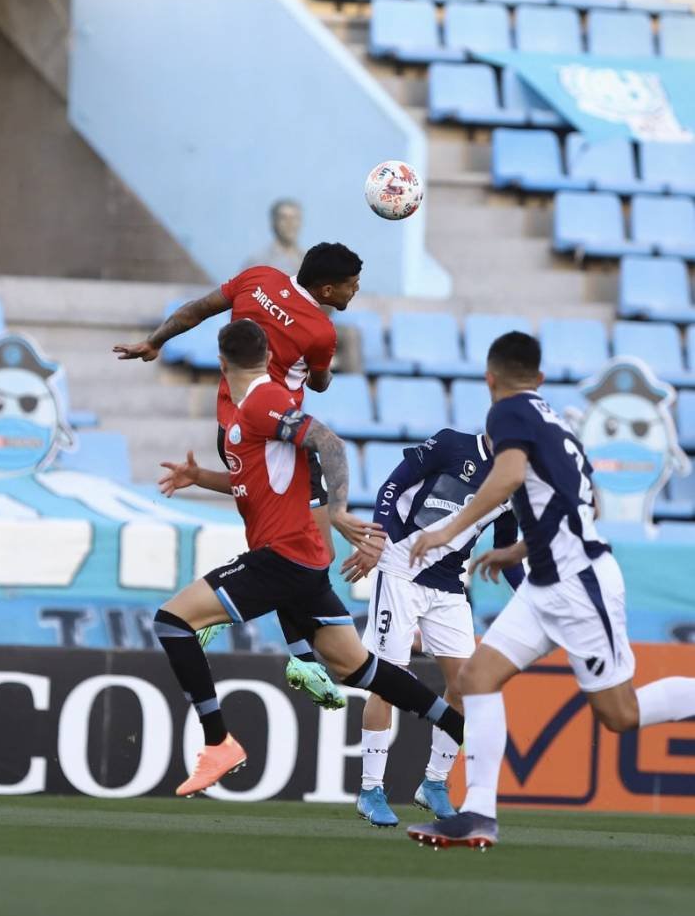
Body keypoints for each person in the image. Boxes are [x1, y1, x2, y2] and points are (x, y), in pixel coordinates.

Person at [153, 319, 468, 795]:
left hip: (281, 559)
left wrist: (338, 509)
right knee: (357, 668)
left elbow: (329, 442)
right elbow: (254, 483)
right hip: (301, 563)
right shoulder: (251, 411)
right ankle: (460, 726)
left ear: (221, 363)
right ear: (265, 357)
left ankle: (218, 743)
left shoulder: (263, 402)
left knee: (173, 622)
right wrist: (201, 478)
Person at [406, 331, 695, 850]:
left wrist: (449, 531)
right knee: (477, 678)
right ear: (539, 378)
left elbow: (509, 475)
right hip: (545, 582)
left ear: (490, 378)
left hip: (578, 584)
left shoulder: (507, 412)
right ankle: (478, 813)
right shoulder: (560, 426)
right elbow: (583, 507)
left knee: (619, 715)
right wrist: (516, 551)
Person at [114, 242, 363, 710]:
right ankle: (295, 654)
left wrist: (156, 341)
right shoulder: (321, 332)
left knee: (283, 547)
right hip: (278, 436)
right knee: (308, 551)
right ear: (327, 288)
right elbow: (320, 383)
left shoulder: (258, 278)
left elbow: (198, 309)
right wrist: (316, 366)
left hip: (231, 429)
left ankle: (294, 653)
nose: (355, 291)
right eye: (351, 285)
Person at [341, 429, 524, 828]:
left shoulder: (513, 482)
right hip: (400, 570)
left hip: (449, 585)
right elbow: (393, 485)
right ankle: (371, 789)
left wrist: (531, 595)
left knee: (466, 685)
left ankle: (434, 783)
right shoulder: (450, 445)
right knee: (387, 680)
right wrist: (376, 539)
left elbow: (508, 550)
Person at [242, 199, 305, 277]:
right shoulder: (258, 263)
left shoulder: (310, 260)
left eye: (295, 218)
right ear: (274, 222)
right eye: (283, 218)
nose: (290, 223)